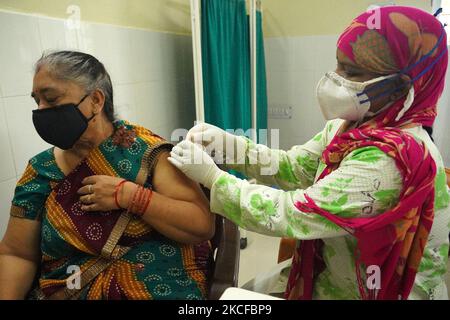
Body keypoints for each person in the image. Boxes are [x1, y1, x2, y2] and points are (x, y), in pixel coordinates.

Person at [169, 6, 450, 300]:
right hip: (334, 271)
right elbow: (294, 168)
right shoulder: (350, 128)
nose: (335, 79)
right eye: (338, 65)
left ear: (398, 89)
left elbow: (291, 214)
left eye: (352, 72)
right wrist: (231, 146)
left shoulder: (392, 161)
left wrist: (214, 179)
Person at [0, 51, 215, 300]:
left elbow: (201, 224)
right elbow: (17, 254)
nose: (41, 110)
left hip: (155, 284)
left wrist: (131, 196)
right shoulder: (40, 171)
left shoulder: (144, 152)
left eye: (51, 99)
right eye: (37, 101)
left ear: (96, 100)